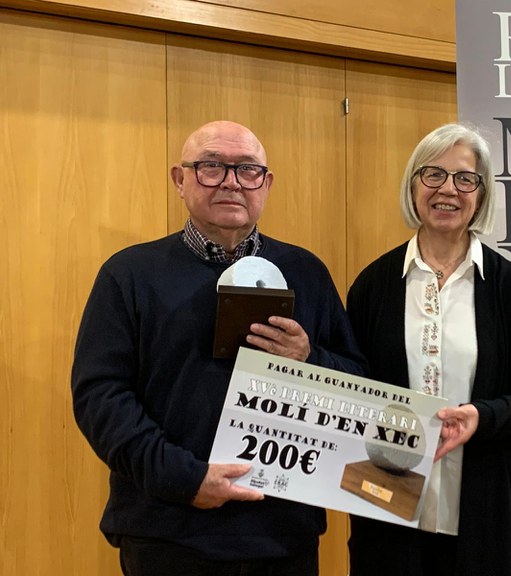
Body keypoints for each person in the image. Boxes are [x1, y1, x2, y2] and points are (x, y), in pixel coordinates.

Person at [71, 120, 367, 576]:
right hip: (167, 530)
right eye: (211, 166)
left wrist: (310, 359)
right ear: (180, 179)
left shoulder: (306, 272)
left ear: (266, 184)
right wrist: (184, 479)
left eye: (248, 169)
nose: (231, 182)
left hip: (282, 535)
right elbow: (100, 397)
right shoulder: (128, 274)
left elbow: (356, 385)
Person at [345, 123, 511, 576]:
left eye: (465, 178)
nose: (448, 189)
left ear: (481, 194)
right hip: (389, 515)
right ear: (413, 186)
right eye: (433, 174)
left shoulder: (509, 288)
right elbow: (350, 390)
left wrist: (483, 416)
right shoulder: (372, 286)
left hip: (487, 516)